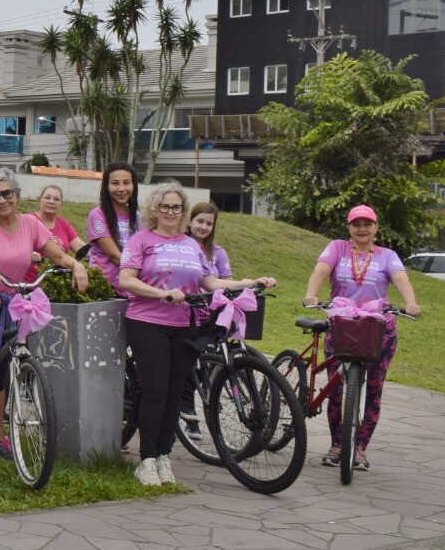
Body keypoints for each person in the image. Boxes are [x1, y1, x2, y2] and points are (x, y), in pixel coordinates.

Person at [118, 182, 275, 487]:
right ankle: (146, 460)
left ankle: (164, 455)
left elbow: (210, 282)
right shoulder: (141, 240)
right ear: (154, 209)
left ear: (183, 212)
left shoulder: (191, 245)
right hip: (147, 322)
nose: (171, 212)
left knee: (175, 393)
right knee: (156, 392)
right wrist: (162, 294)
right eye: (165, 207)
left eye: (177, 207)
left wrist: (249, 281)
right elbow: (126, 280)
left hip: (186, 326)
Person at [0, 168, 88, 475]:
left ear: (17, 194)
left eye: (7, 194)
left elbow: (57, 254)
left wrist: (75, 265)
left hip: (10, 305)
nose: (1, 200)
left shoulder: (30, 224)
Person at [302, 204, 421, 472]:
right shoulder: (337, 248)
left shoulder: (388, 255)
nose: (362, 229)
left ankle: (360, 447)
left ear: (376, 228)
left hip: (378, 329)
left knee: (374, 389)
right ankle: (337, 444)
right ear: (349, 228)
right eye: (356, 224)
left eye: (368, 224)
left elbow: (401, 279)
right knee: (336, 387)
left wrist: (410, 303)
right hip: (342, 325)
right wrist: (312, 293)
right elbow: (321, 271)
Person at [87, 162, 138, 291]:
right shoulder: (97, 215)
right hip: (104, 289)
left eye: (126, 183)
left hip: (132, 287)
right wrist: (141, 275)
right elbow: (114, 256)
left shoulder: (138, 217)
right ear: (106, 187)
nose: (121, 189)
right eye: (115, 183)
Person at [26, 184, 86, 283]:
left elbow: (80, 245)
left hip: (57, 283)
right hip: (30, 285)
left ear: (61, 204)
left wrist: (99, 255)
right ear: (39, 200)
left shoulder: (64, 224)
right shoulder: (28, 221)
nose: (51, 202)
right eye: (47, 197)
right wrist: (27, 254)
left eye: (56, 199)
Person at [187, 202, 230, 278]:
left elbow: (228, 282)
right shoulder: (178, 246)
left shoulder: (218, 251)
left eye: (209, 224)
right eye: (200, 221)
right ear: (190, 221)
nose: (204, 227)